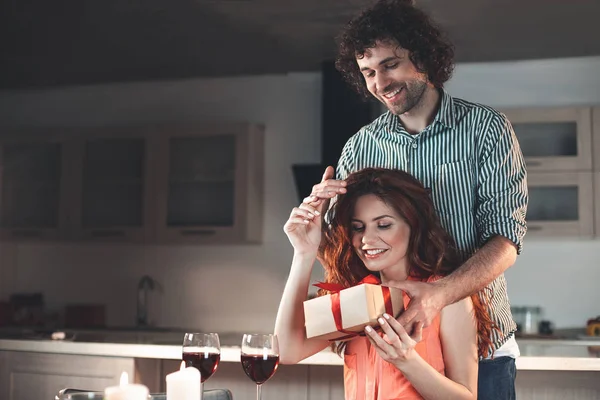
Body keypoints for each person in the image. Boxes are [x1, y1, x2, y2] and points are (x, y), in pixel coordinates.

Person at [303, 1, 528, 398]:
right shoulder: (360, 146)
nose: (379, 83)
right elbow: (348, 248)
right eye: (368, 73)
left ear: (423, 58)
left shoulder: (485, 130)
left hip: (481, 342)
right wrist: (319, 224)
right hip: (396, 340)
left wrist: (437, 297)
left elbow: (506, 240)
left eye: (390, 65)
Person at [275, 167, 496, 399]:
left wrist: (406, 361)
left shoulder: (445, 297)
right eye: (358, 227)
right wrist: (304, 253)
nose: (367, 240)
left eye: (383, 225)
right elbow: (286, 351)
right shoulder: (355, 296)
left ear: (413, 225)